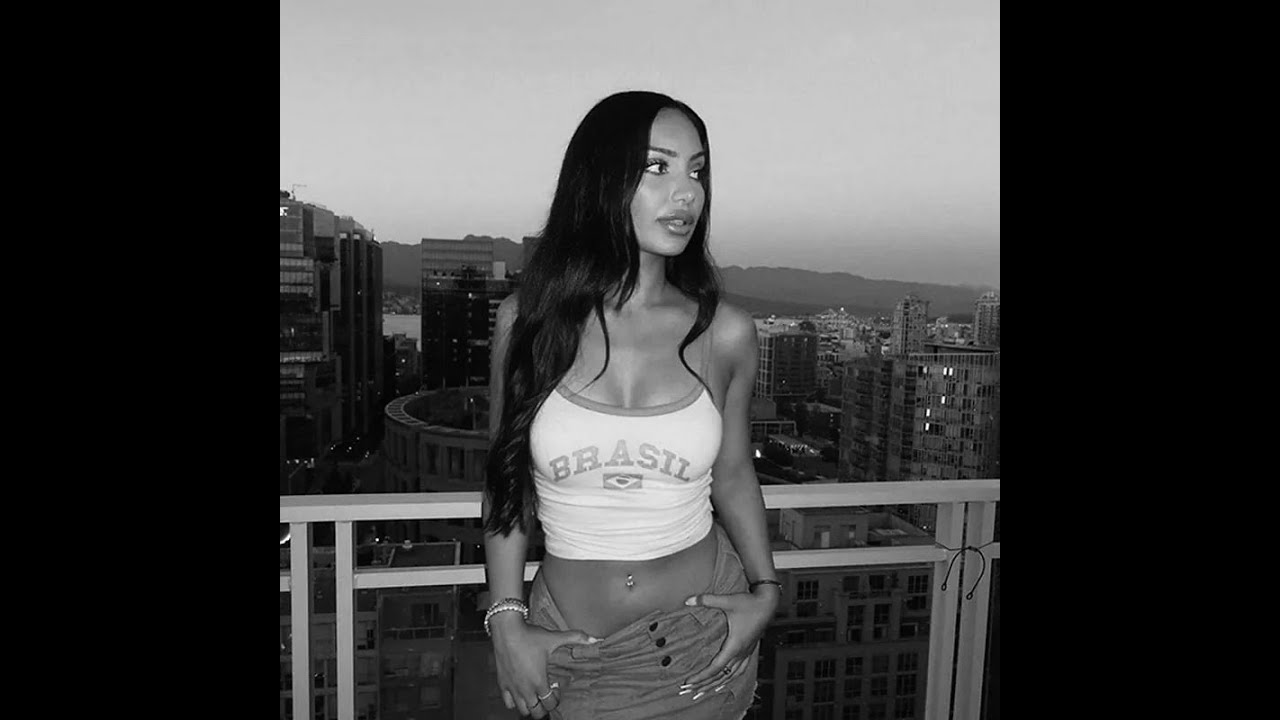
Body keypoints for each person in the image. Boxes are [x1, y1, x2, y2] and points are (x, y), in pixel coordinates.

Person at [483, 90, 779, 720]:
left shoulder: (724, 332)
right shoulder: (528, 323)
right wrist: (505, 621)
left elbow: (733, 474)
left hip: (703, 644)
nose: (687, 192)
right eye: (658, 167)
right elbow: (506, 482)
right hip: (572, 651)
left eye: (697, 171)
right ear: (599, 180)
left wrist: (765, 591)